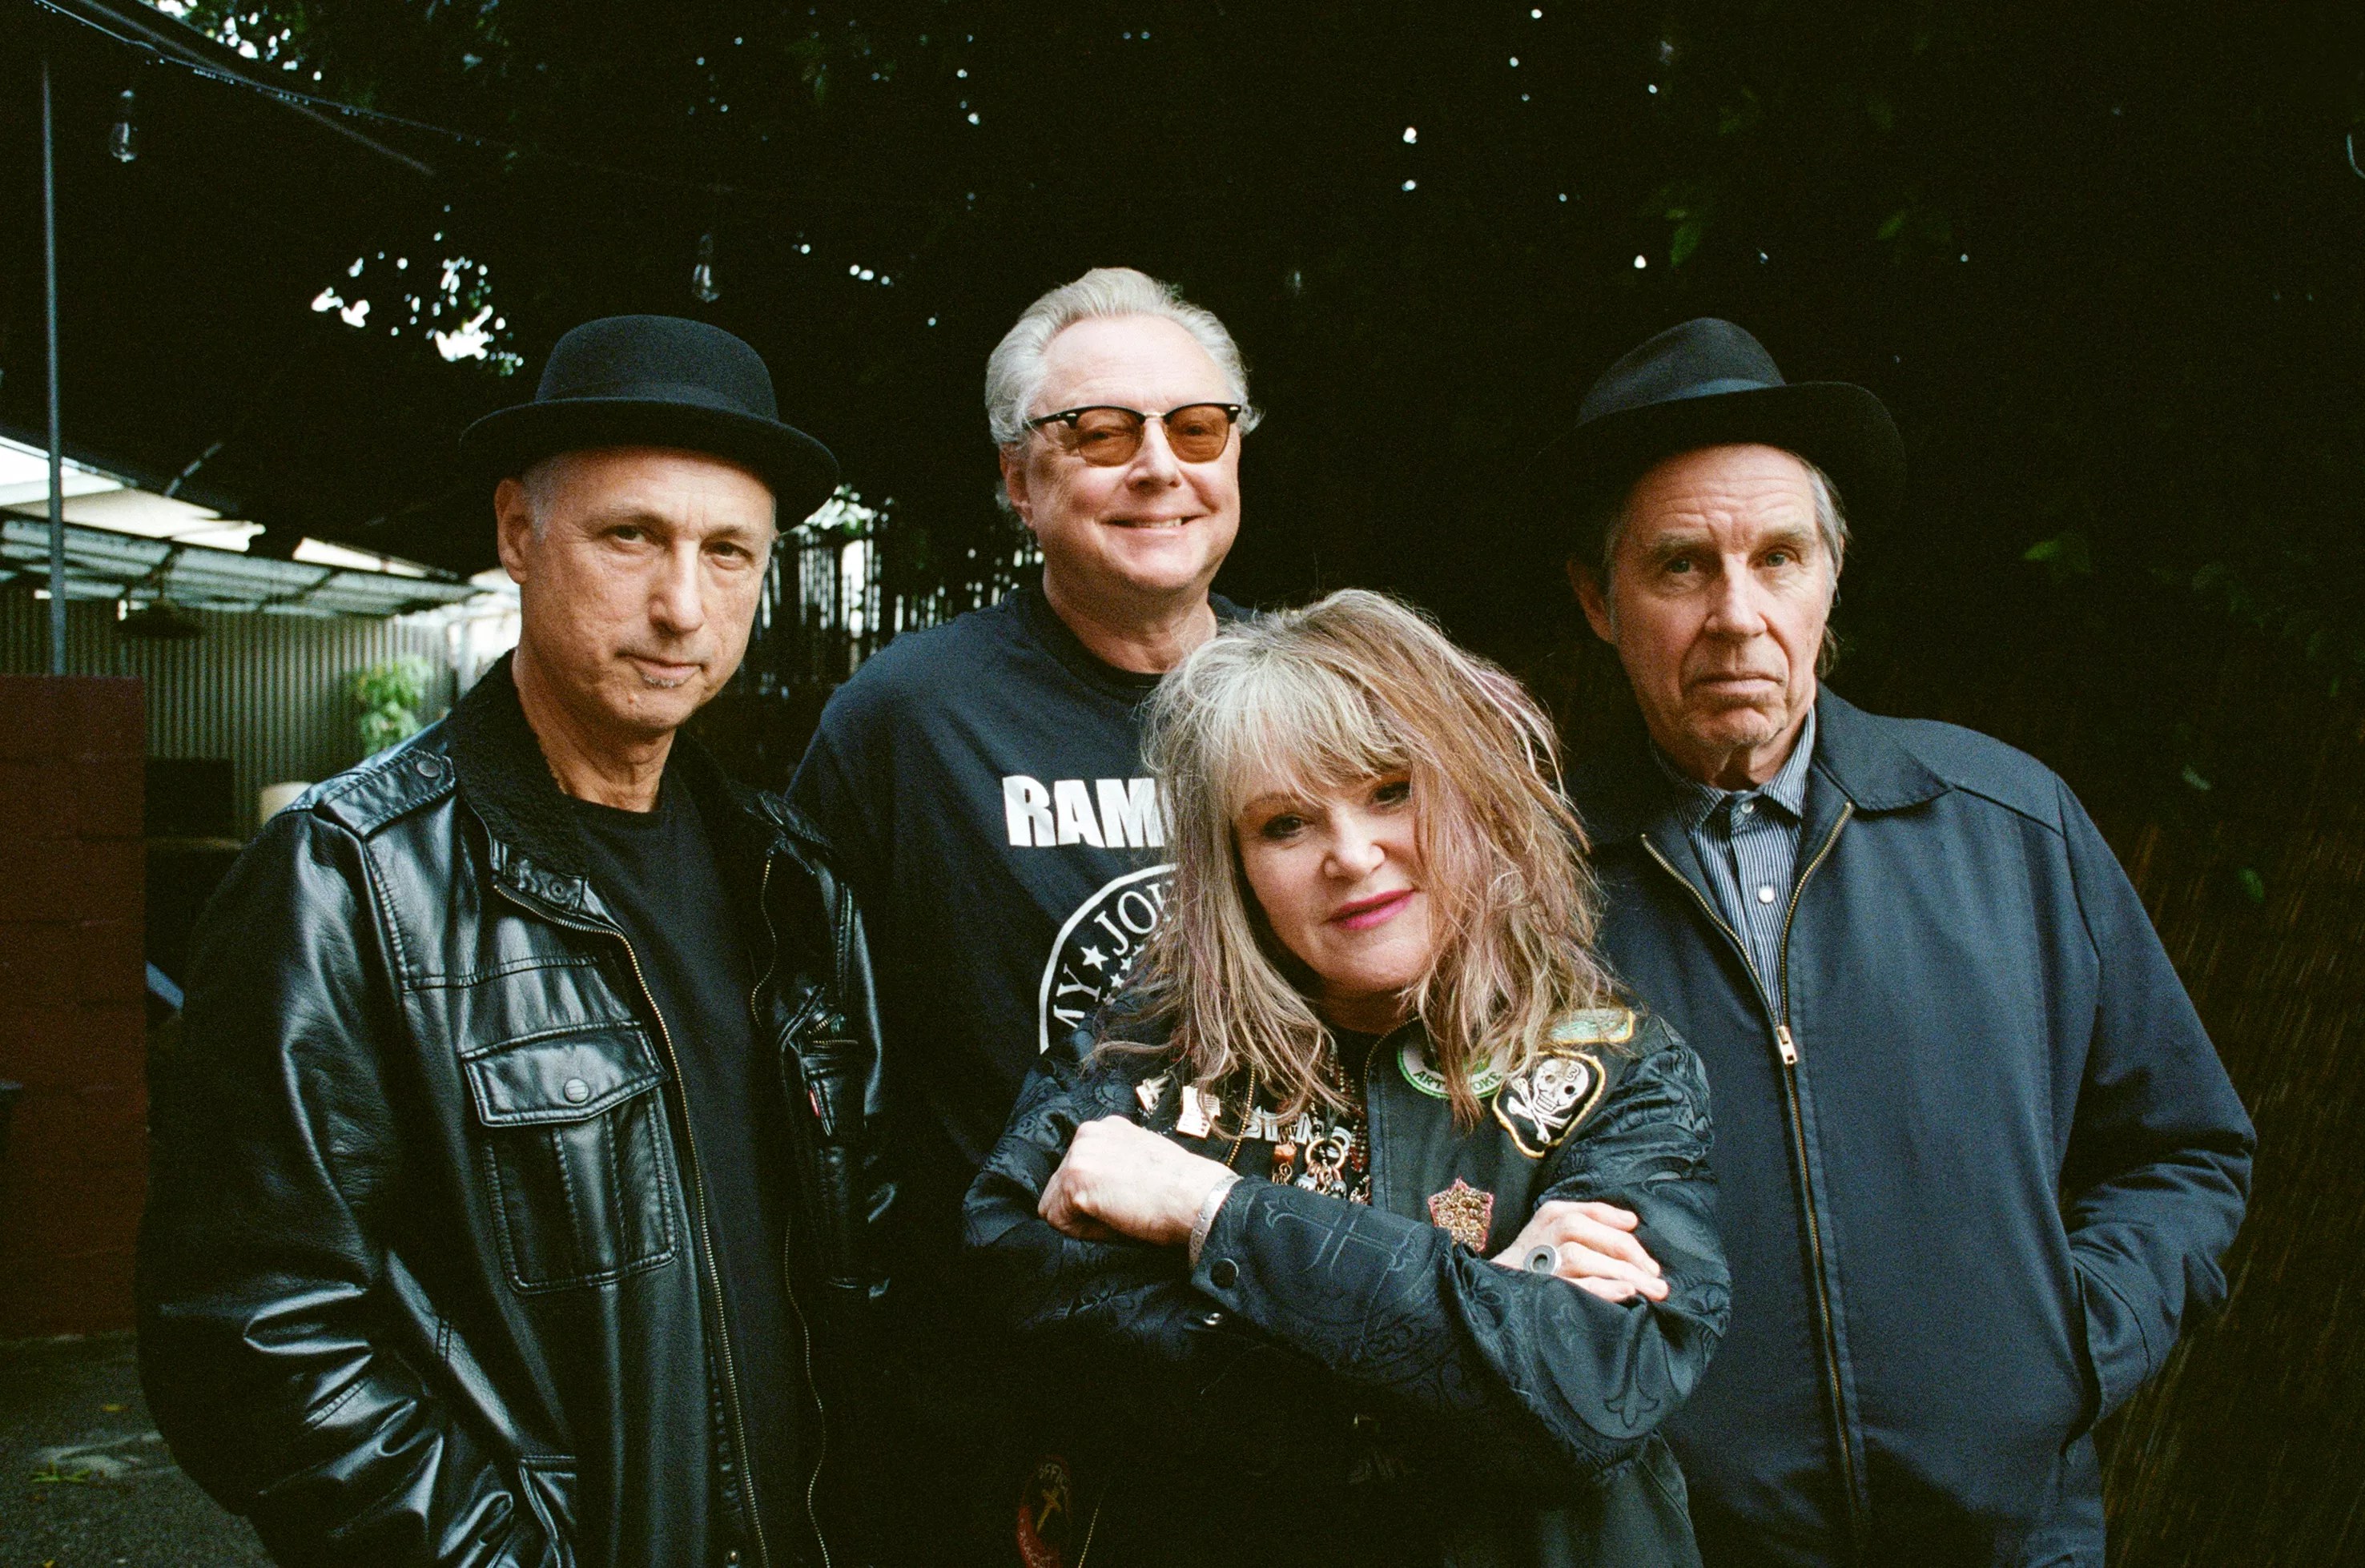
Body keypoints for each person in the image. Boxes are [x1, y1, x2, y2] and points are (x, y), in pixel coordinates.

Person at [137, 316, 891, 1568]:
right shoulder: (347, 880)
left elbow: (861, 1257)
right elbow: (253, 1326)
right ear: (516, 533)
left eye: (728, 552)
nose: (680, 606)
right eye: (629, 536)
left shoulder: (795, 881)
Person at [1551, 318, 2256, 1566]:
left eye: (1778, 557)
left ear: (1832, 579)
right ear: (1599, 600)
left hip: (2010, 1540)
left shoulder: (2007, 823)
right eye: (1680, 566)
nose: (1736, 614)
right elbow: (1447, 1193)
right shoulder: (1527, 885)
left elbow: (2184, 1148)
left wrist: (2066, 1349)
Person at [965, 589, 1730, 1568]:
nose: (1353, 855)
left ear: (1472, 792)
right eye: (1285, 823)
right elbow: (1036, 1321)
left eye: (1389, 790)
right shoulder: (1136, 1056)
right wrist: (1483, 1317)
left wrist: (1209, 1209)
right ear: (1231, 864)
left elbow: (1594, 1391)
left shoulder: (1619, 1063)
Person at [788, 267, 1256, 1553]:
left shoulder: (1320, 700)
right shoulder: (905, 719)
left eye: (1196, 427)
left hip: (1278, 1357)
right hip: (1002, 1397)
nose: (1158, 466)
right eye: (1099, 433)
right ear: (1017, 479)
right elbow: (803, 1048)